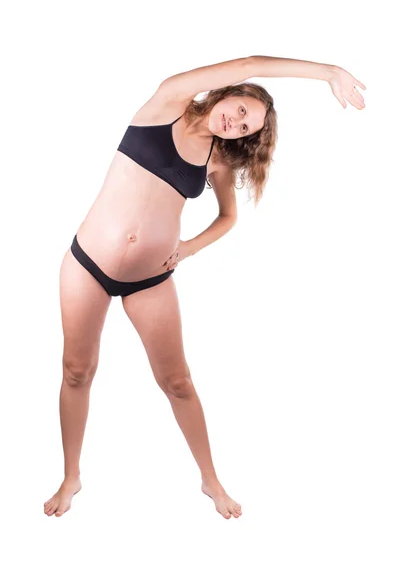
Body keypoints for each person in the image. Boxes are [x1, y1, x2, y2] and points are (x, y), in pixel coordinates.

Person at [43, 55, 366, 520]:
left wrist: (189, 247)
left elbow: (228, 217)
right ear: (227, 91)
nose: (235, 123)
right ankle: (71, 476)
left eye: (245, 127)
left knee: (177, 381)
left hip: (150, 279)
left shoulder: (216, 158)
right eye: (239, 109)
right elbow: (254, 61)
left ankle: (210, 480)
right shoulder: (168, 100)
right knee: (77, 370)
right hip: (86, 264)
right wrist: (328, 72)